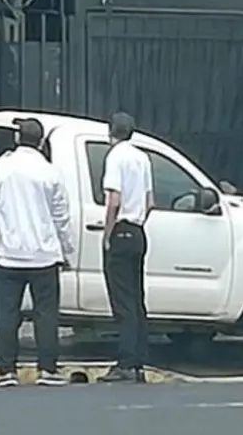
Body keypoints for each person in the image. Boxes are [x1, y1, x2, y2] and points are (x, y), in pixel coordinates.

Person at [0, 117, 76, 388]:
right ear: (40, 142)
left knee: (8, 313)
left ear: (17, 139)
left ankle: (6, 371)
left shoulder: (2, 168)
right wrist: (67, 249)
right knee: (46, 313)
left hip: (8, 254)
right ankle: (47, 369)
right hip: (44, 255)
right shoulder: (50, 172)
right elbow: (61, 216)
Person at [98, 112, 153, 383]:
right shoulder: (142, 158)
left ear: (111, 132)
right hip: (139, 231)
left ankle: (125, 362)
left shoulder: (115, 156)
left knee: (122, 302)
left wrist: (108, 234)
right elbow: (150, 201)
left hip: (121, 231)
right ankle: (140, 361)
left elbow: (114, 201)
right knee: (136, 298)